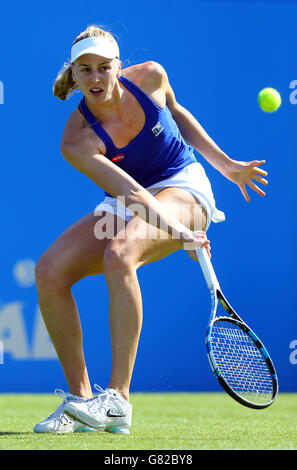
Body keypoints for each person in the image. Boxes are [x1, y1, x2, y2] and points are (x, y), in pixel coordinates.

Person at [34, 25, 268, 434]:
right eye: (84, 70)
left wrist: (226, 166)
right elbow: (130, 191)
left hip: (186, 187)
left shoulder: (151, 76)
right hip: (132, 199)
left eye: (103, 68)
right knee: (50, 270)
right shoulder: (77, 138)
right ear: (73, 73)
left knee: (120, 254)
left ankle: (118, 400)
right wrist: (178, 231)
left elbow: (177, 114)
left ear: (118, 67)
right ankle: (81, 403)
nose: (94, 79)